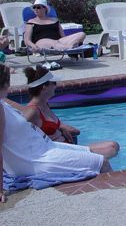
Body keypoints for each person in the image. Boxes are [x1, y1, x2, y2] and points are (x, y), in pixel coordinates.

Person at [0, 64, 111, 203]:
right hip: (37, 159)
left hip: (46, 148)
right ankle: (113, 201)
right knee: (102, 162)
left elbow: (16, 109)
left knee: (104, 152)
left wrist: (61, 127)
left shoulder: (3, 103)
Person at [21, 65, 120, 161]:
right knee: (110, 150)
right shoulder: (32, 111)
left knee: (114, 145)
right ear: (44, 87)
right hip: (60, 155)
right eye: (54, 83)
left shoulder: (45, 105)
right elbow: (17, 134)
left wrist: (61, 127)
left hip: (68, 149)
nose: (56, 86)